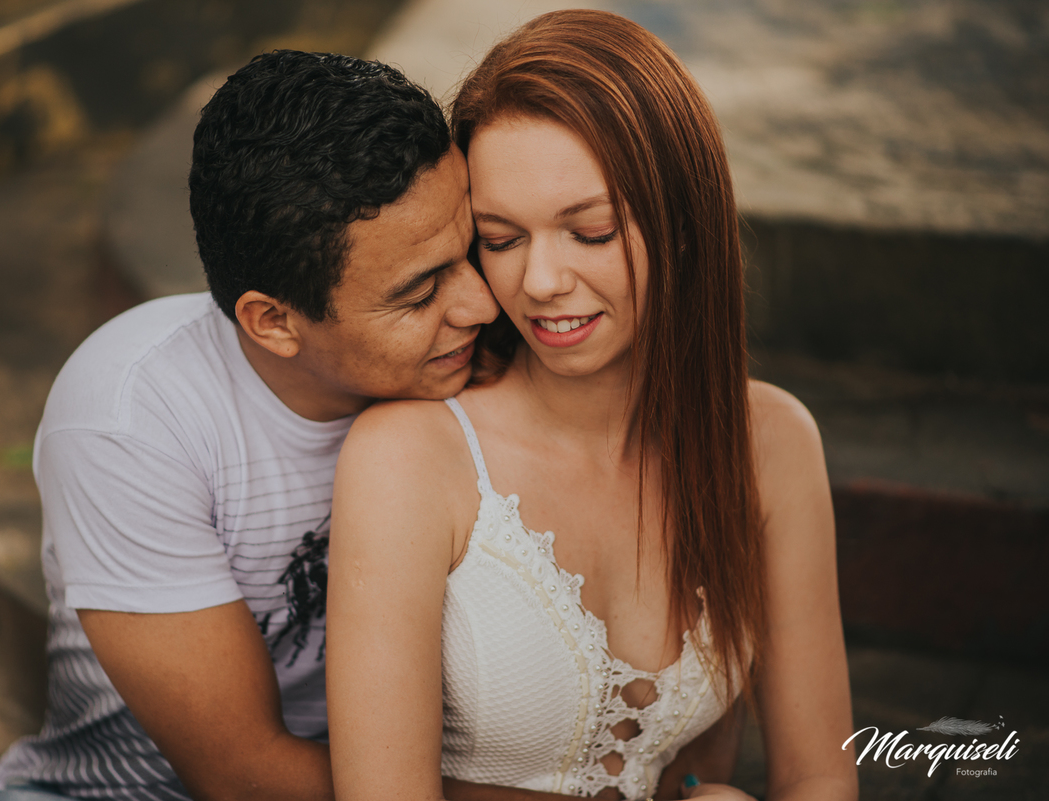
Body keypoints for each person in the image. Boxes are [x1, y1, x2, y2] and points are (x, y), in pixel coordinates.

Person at [326, 10, 858, 801]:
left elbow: (820, 773)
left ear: (684, 225)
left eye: (592, 230)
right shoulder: (411, 455)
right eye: (502, 239)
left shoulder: (772, 441)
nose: (541, 281)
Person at [0, 50, 506, 801]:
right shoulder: (133, 419)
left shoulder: (482, 346)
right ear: (274, 322)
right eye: (420, 293)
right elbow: (242, 776)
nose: (483, 304)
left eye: (474, 247)